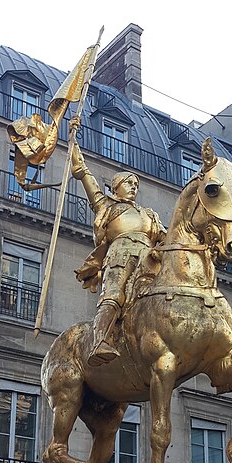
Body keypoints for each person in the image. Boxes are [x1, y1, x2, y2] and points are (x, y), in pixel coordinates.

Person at [71, 120, 166, 367]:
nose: (134, 187)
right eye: (128, 183)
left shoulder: (149, 215)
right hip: (120, 255)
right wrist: (72, 139)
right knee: (114, 294)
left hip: (149, 259)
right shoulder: (107, 206)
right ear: (116, 187)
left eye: (136, 184)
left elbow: (168, 239)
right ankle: (98, 341)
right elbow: (84, 173)